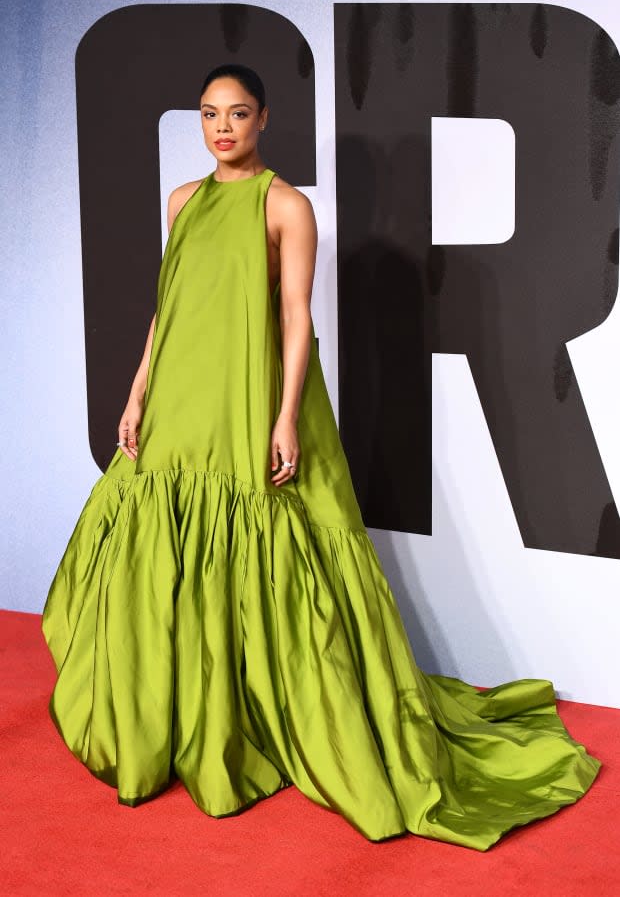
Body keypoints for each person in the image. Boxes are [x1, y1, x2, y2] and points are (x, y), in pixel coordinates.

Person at [42, 63, 601, 852]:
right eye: (208, 115)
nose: (222, 128)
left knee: (259, 542)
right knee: (157, 543)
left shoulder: (285, 206)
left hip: (250, 395)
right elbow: (168, 311)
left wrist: (285, 417)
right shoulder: (182, 203)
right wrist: (137, 394)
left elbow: (298, 318)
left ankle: (244, 719)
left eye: (237, 113)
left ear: (264, 118)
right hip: (179, 397)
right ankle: (174, 713)